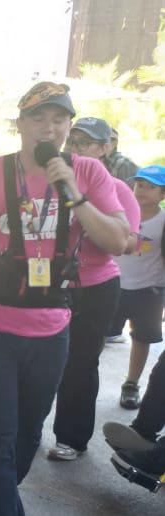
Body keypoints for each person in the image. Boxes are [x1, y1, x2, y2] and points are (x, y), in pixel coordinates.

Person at [0, 82, 127, 515]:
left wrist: (74, 194)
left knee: (28, 433)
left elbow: (116, 239)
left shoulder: (88, 174)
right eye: (37, 118)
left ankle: (3, 490)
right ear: (19, 124)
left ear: (68, 127)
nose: (48, 127)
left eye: (59, 119)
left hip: (52, 327)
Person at [46, 167, 140, 462]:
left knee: (80, 363)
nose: (80, 151)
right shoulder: (43, 184)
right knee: (37, 359)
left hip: (95, 288)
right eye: (75, 142)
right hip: (45, 281)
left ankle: (71, 438)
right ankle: (27, 427)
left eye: (89, 144)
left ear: (106, 148)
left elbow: (128, 244)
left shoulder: (117, 190)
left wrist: (86, 209)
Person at [108, 166, 165, 409]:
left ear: (163, 194)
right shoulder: (121, 214)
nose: (142, 190)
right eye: (139, 184)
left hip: (149, 290)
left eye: (151, 187)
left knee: (141, 338)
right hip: (113, 285)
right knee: (100, 334)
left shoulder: (163, 222)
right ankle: (83, 377)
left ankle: (131, 384)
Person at [68, 117, 139, 183]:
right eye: (70, 141)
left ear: (103, 148)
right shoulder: (61, 174)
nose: (73, 148)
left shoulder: (117, 183)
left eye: (83, 143)